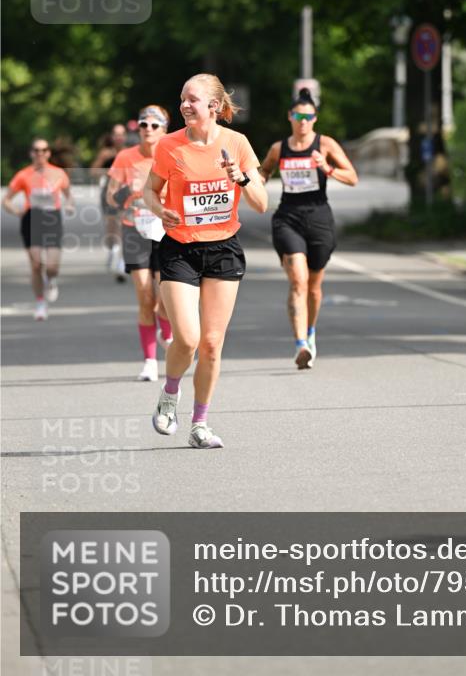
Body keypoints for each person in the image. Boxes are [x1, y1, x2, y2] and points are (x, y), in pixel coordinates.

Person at [143, 73, 267, 449]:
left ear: (213, 106)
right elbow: (149, 190)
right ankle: (169, 394)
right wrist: (159, 209)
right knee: (189, 337)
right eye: (182, 98)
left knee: (212, 344)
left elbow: (262, 203)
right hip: (180, 247)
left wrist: (241, 177)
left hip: (223, 249)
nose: (184, 105)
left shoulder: (237, 143)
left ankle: (200, 423)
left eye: (192, 99)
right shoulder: (169, 145)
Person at [259, 88, 358, 369]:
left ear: (315, 119)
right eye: (297, 115)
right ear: (290, 117)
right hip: (287, 218)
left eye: (308, 116)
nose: (302, 121)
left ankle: (311, 333)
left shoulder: (325, 144)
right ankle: (300, 344)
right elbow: (264, 170)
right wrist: (257, 182)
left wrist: (326, 168)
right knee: (298, 281)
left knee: (314, 287)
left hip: (319, 219)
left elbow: (352, 177)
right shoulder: (280, 148)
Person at [106, 106, 173, 382]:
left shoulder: (173, 154)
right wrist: (129, 192)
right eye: (144, 124)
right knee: (145, 297)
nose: (148, 129)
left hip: (166, 231)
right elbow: (110, 197)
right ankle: (149, 361)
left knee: (165, 297)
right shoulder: (125, 157)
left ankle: (166, 334)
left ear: (164, 129)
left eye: (155, 125)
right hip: (135, 231)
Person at [2, 139, 75, 320]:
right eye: (36, 150)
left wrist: (70, 206)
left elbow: (69, 196)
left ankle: (50, 279)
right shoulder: (23, 175)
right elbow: (6, 199)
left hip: (52, 219)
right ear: (31, 153)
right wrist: (17, 211)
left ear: (49, 153)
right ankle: (40, 302)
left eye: (44, 150)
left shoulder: (58, 174)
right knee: (36, 265)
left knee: (52, 266)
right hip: (31, 219)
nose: (40, 153)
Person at [91, 124, 127, 280]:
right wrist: (111, 172)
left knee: (123, 224)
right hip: (108, 192)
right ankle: (113, 250)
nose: (118, 137)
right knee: (111, 226)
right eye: (116, 134)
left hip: (125, 192)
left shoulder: (129, 153)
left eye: (121, 134)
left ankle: (120, 260)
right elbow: (93, 171)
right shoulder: (106, 153)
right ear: (111, 137)